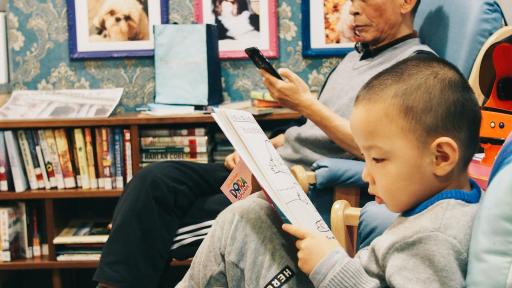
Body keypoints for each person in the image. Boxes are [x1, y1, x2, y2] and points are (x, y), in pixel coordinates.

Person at [94, 0, 430, 286]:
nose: (353, 10)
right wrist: (262, 146)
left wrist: (304, 103)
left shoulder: (416, 70)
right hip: (272, 167)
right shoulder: (354, 58)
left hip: (302, 188)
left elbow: (374, 147)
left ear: (405, 2)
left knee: (150, 225)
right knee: (156, 180)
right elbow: (313, 128)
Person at [178, 56, 483, 287]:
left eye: (377, 160)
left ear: (441, 157)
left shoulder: (434, 238)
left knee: (240, 222)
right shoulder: (443, 209)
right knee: (251, 213)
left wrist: (329, 265)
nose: (366, 174)